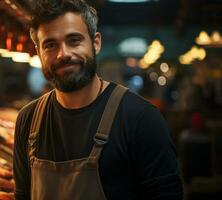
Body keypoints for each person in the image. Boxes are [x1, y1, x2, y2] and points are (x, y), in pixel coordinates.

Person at [13, 0, 183, 199]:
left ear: (96, 43)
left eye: (74, 40)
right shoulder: (28, 120)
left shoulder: (141, 118)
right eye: (50, 45)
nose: (63, 54)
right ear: (39, 52)